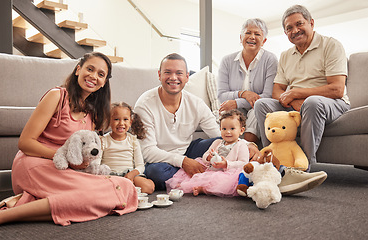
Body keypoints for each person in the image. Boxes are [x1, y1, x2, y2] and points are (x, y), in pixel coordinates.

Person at [135, 53, 325, 196]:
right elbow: (148, 151)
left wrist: (247, 145)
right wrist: (184, 162)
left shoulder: (195, 102)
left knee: (228, 140)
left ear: (186, 77)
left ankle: (280, 173)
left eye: (179, 73)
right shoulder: (145, 103)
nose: (173, 78)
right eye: (167, 72)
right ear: (159, 74)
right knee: (155, 173)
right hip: (162, 160)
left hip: (189, 149)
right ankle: (234, 177)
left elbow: (218, 132)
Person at [0, 52, 137, 226]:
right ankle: (4, 217)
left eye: (101, 75)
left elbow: (85, 154)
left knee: (124, 186)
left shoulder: (92, 113)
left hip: (66, 170)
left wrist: (85, 165)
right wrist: (66, 160)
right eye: (90, 69)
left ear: (104, 83)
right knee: (103, 194)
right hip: (34, 163)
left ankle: (23, 206)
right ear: (78, 69)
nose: (93, 76)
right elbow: (25, 143)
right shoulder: (57, 96)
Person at [254, 5, 350, 169]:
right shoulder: (285, 56)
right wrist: (293, 102)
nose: (295, 30)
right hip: (296, 104)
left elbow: (337, 89)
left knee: (312, 103)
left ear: (311, 23)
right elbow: (277, 90)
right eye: (289, 28)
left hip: (332, 103)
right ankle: (271, 163)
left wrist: (297, 94)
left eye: (299, 24)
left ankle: (303, 168)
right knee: (261, 104)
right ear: (286, 33)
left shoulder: (331, 45)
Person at [217, 18, 278, 144]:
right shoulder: (227, 61)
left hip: (258, 109)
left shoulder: (270, 59)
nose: (252, 37)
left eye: (257, 34)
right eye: (248, 33)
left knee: (256, 109)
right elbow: (222, 95)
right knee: (228, 113)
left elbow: (267, 96)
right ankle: (228, 151)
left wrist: (237, 102)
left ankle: (248, 151)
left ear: (264, 41)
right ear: (241, 37)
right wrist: (243, 93)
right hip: (237, 110)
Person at [166, 109, 249, 197]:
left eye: (232, 128)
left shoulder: (241, 145)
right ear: (220, 129)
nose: (228, 132)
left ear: (241, 130)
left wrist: (226, 164)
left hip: (226, 172)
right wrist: (208, 158)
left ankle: (204, 189)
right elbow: (204, 155)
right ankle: (185, 184)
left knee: (220, 181)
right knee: (198, 173)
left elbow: (243, 163)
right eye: (224, 129)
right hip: (211, 169)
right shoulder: (217, 142)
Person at [100, 102, 155, 194]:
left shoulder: (133, 140)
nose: (121, 123)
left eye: (125, 119)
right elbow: (97, 165)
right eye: (116, 119)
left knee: (148, 187)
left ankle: (122, 190)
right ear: (109, 121)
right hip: (110, 176)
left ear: (130, 122)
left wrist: (132, 174)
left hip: (129, 175)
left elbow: (140, 165)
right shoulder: (103, 140)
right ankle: (124, 191)